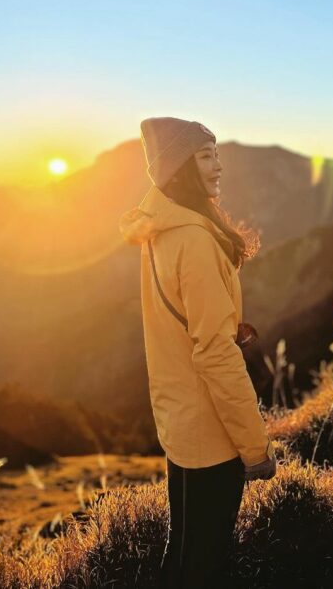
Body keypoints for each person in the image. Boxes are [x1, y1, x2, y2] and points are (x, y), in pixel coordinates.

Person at [119, 116, 277, 588]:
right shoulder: (194, 239)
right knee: (206, 564)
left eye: (216, 154)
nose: (218, 166)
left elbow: (180, 322)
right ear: (180, 168)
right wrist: (255, 449)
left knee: (182, 554)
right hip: (211, 433)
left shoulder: (160, 230)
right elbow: (213, 354)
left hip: (179, 423)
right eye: (205, 156)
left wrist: (226, 326)